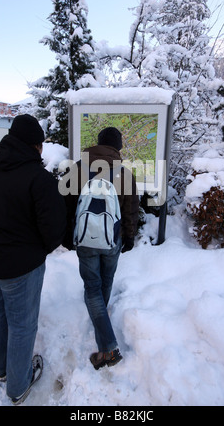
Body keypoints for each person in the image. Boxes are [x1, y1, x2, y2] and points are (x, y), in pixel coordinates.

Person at [0, 114, 67, 405]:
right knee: (22, 325)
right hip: (19, 268)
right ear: (35, 146)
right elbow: (54, 228)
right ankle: (19, 386)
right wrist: (38, 248)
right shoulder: (39, 179)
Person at [62, 127, 139, 370]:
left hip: (85, 240)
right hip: (112, 239)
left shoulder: (78, 168)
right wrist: (129, 237)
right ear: (117, 148)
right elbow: (130, 210)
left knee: (92, 287)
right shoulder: (124, 174)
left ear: (97, 144)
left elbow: (64, 205)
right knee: (105, 282)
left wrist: (67, 235)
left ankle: (102, 327)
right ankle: (108, 346)